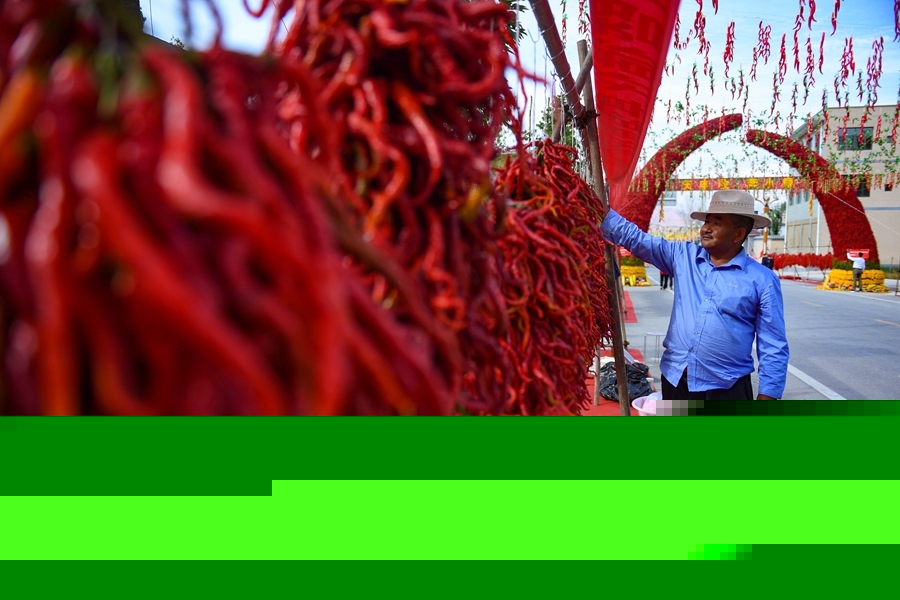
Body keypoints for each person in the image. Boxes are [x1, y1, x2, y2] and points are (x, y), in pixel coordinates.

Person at [600, 190, 789, 400]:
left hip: (727, 389)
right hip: (676, 382)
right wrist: (598, 210)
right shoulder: (683, 257)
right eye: (706, 221)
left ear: (738, 234)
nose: (706, 228)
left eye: (717, 223)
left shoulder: (762, 279)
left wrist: (768, 396)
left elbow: (773, 343)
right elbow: (637, 239)